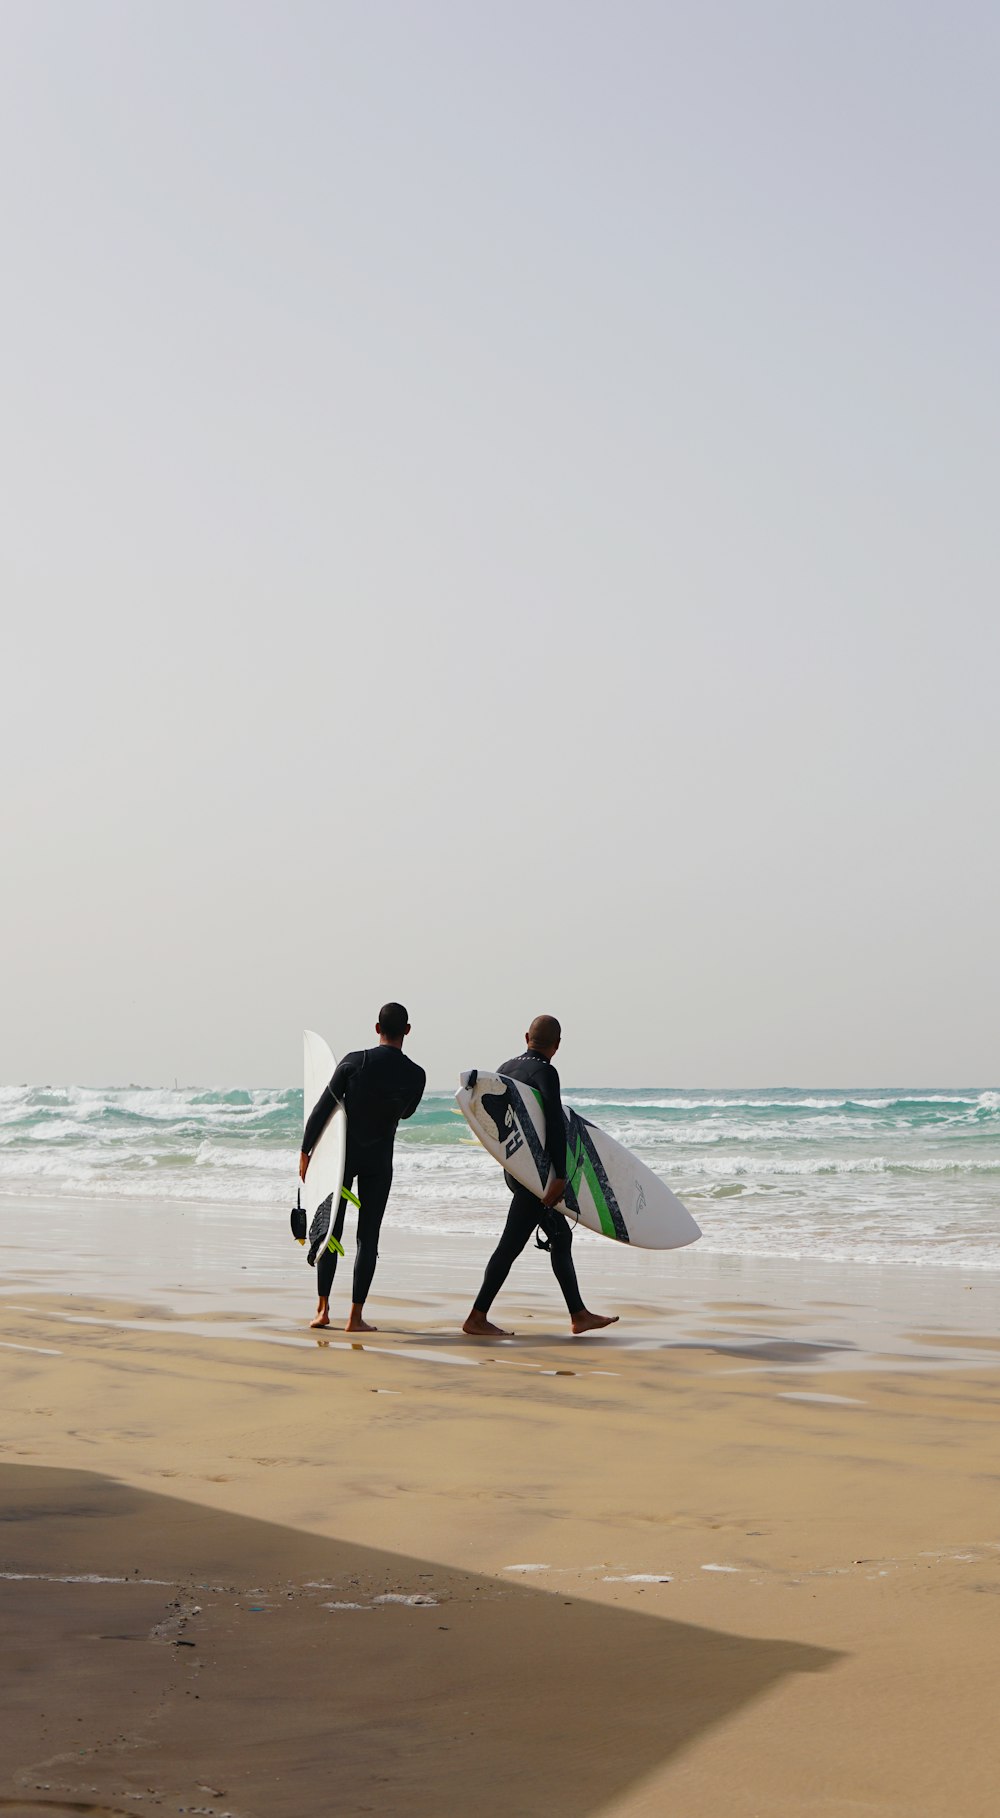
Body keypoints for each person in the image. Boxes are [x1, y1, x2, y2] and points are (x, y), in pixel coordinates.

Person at [463, 1015, 618, 1338]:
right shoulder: (546, 1071)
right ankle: (477, 1317)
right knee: (510, 1245)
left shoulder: (505, 1068)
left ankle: (579, 1314)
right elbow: (553, 1122)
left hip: (516, 1171)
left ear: (526, 1037)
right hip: (538, 1177)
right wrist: (560, 1176)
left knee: (561, 1237)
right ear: (557, 1045)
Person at [300, 1002, 425, 1333]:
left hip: (344, 1159)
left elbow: (323, 1107)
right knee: (368, 1239)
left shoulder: (355, 1062)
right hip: (379, 1162)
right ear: (407, 1031)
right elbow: (407, 1113)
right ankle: (355, 1318)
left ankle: (323, 1309)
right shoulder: (416, 1075)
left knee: (331, 1230)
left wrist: (306, 1150)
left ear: (376, 1028)